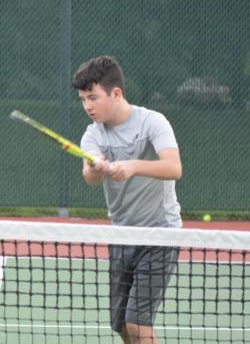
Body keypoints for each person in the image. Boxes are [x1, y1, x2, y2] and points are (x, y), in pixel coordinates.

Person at [72, 56, 182, 344]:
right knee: (121, 324)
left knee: (137, 323)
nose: (87, 106)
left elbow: (174, 167)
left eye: (93, 97)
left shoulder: (152, 122)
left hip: (161, 234)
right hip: (122, 235)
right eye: (83, 100)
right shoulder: (93, 135)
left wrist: (133, 166)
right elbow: (90, 176)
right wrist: (96, 167)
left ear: (116, 93)